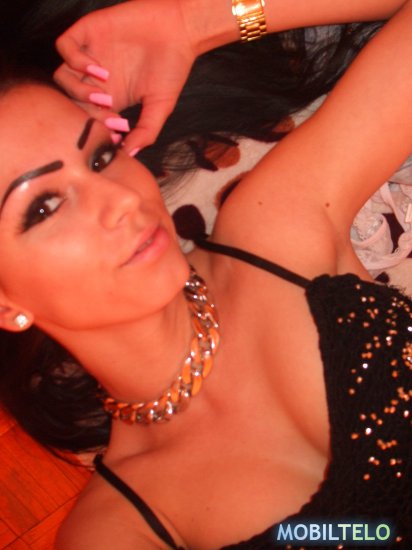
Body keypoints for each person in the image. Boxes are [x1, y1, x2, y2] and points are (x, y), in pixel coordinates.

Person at [0, 1, 410, 549]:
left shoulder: (275, 226)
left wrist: (198, 22)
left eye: (100, 158)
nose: (122, 199)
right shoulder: (120, 530)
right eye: (44, 207)